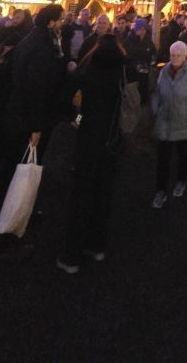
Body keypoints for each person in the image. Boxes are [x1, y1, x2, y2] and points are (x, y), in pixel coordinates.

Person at [0, 4, 66, 252]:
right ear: (51, 22)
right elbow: (36, 88)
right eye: (61, 19)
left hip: (16, 114)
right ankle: (0, 228)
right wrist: (36, 126)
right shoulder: (42, 46)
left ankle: (3, 222)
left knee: (10, 170)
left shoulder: (31, 39)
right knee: (14, 172)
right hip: (26, 120)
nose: (63, 23)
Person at [57, 34, 125, 274]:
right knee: (103, 194)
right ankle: (96, 245)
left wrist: (76, 119)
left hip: (88, 138)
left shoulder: (88, 70)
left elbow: (66, 97)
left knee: (81, 196)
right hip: (111, 138)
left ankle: (71, 256)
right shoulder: (122, 71)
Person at [151, 41, 187, 208]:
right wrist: (156, 109)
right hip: (164, 120)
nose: (174, 58)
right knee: (163, 158)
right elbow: (157, 92)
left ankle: (182, 180)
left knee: (183, 154)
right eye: (172, 55)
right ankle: (161, 190)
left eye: (178, 55)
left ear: (184, 56)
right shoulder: (164, 71)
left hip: (182, 121)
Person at [123, 19, 156, 105]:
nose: (142, 31)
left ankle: (143, 106)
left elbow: (153, 52)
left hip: (145, 73)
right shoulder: (129, 40)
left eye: (144, 29)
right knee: (134, 97)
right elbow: (127, 56)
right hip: (133, 74)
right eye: (140, 29)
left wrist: (152, 63)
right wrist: (136, 64)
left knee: (143, 94)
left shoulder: (148, 40)